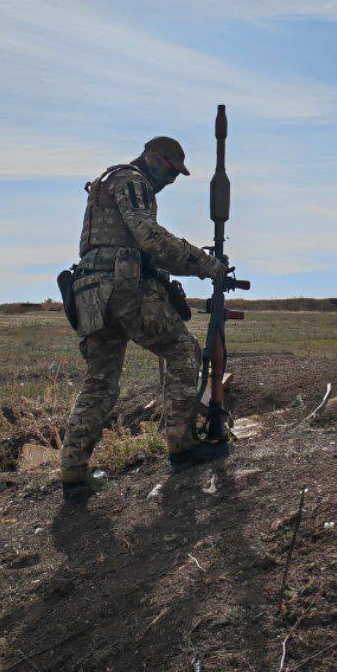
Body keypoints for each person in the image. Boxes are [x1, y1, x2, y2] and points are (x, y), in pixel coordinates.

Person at [60, 135, 225, 499]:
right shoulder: (133, 181)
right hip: (123, 286)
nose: (172, 179)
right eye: (170, 169)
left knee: (100, 380)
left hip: (89, 292)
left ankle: (72, 469)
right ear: (151, 156)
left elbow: (141, 246)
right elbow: (149, 237)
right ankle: (182, 446)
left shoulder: (107, 182)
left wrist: (193, 266)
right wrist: (205, 263)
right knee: (183, 351)